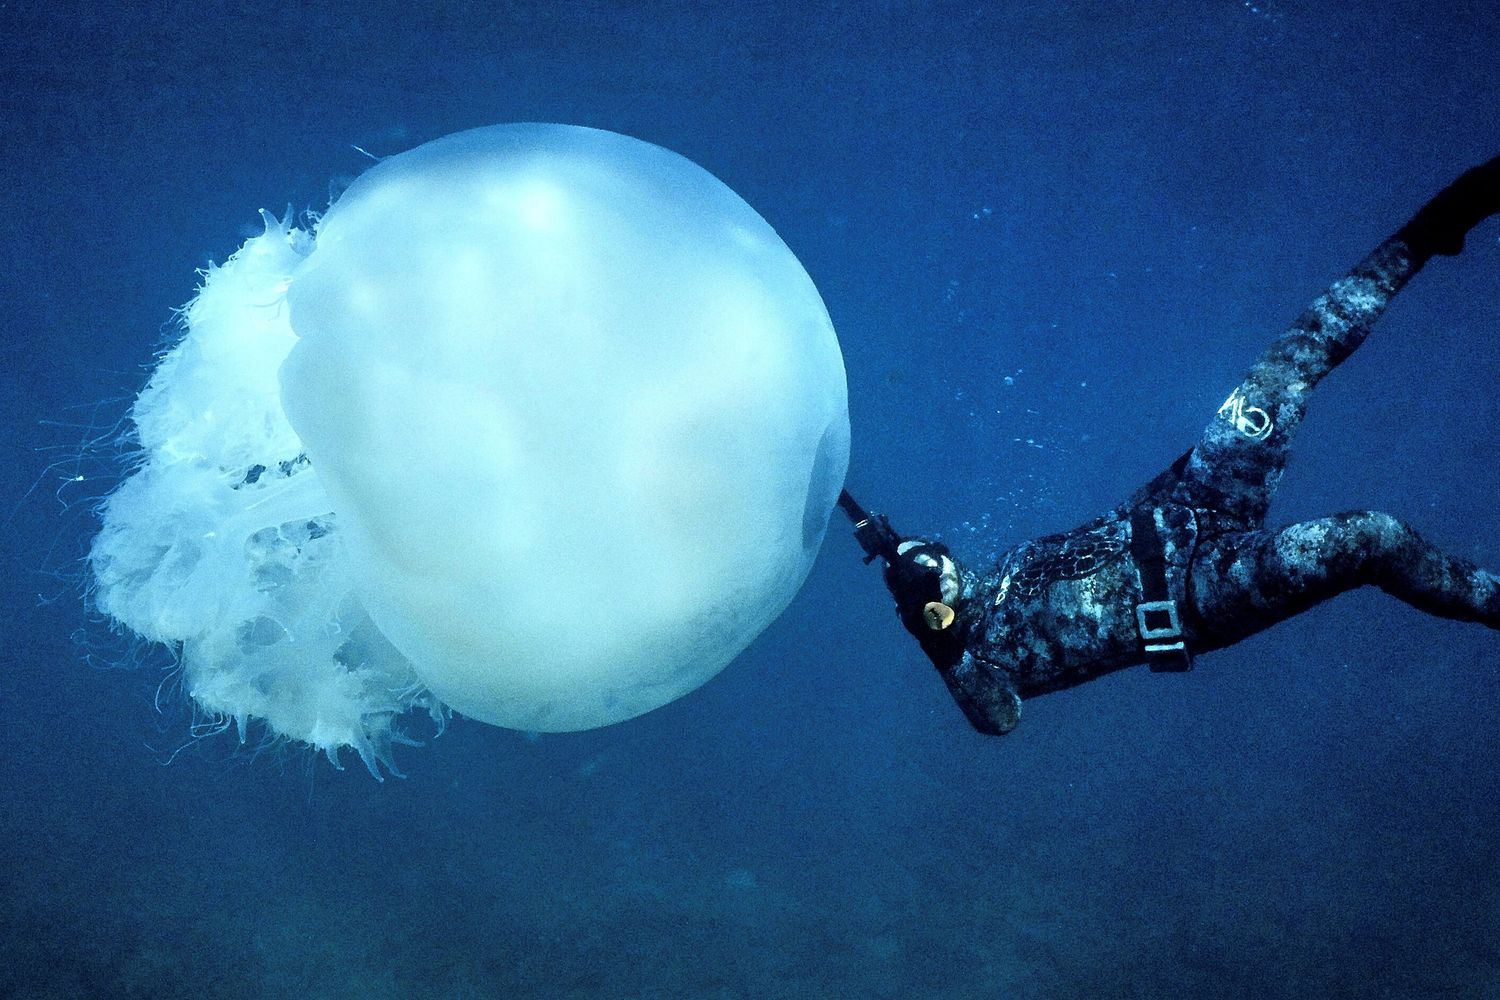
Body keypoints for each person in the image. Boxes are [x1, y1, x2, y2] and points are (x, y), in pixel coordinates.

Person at [840, 156, 1500, 735]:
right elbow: (999, 718)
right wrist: (942, 647)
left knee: (1282, 370)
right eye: (932, 583)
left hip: (1190, 503)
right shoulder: (984, 656)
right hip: (1199, 592)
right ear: (932, 611)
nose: (945, 569)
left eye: (937, 558)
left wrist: (1198, 465)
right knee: (1370, 537)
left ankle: (1432, 229)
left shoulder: (1005, 569)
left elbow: (1105, 529)